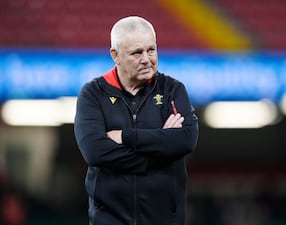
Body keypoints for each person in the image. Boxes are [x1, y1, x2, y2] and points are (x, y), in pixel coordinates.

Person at [74, 16, 199, 225]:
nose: (147, 59)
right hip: (109, 219)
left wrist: (125, 136)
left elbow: (186, 139)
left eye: (151, 50)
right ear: (115, 55)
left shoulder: (172, 90)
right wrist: (162, 152)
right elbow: (95, 151)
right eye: (137, 53)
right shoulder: (93, 93)